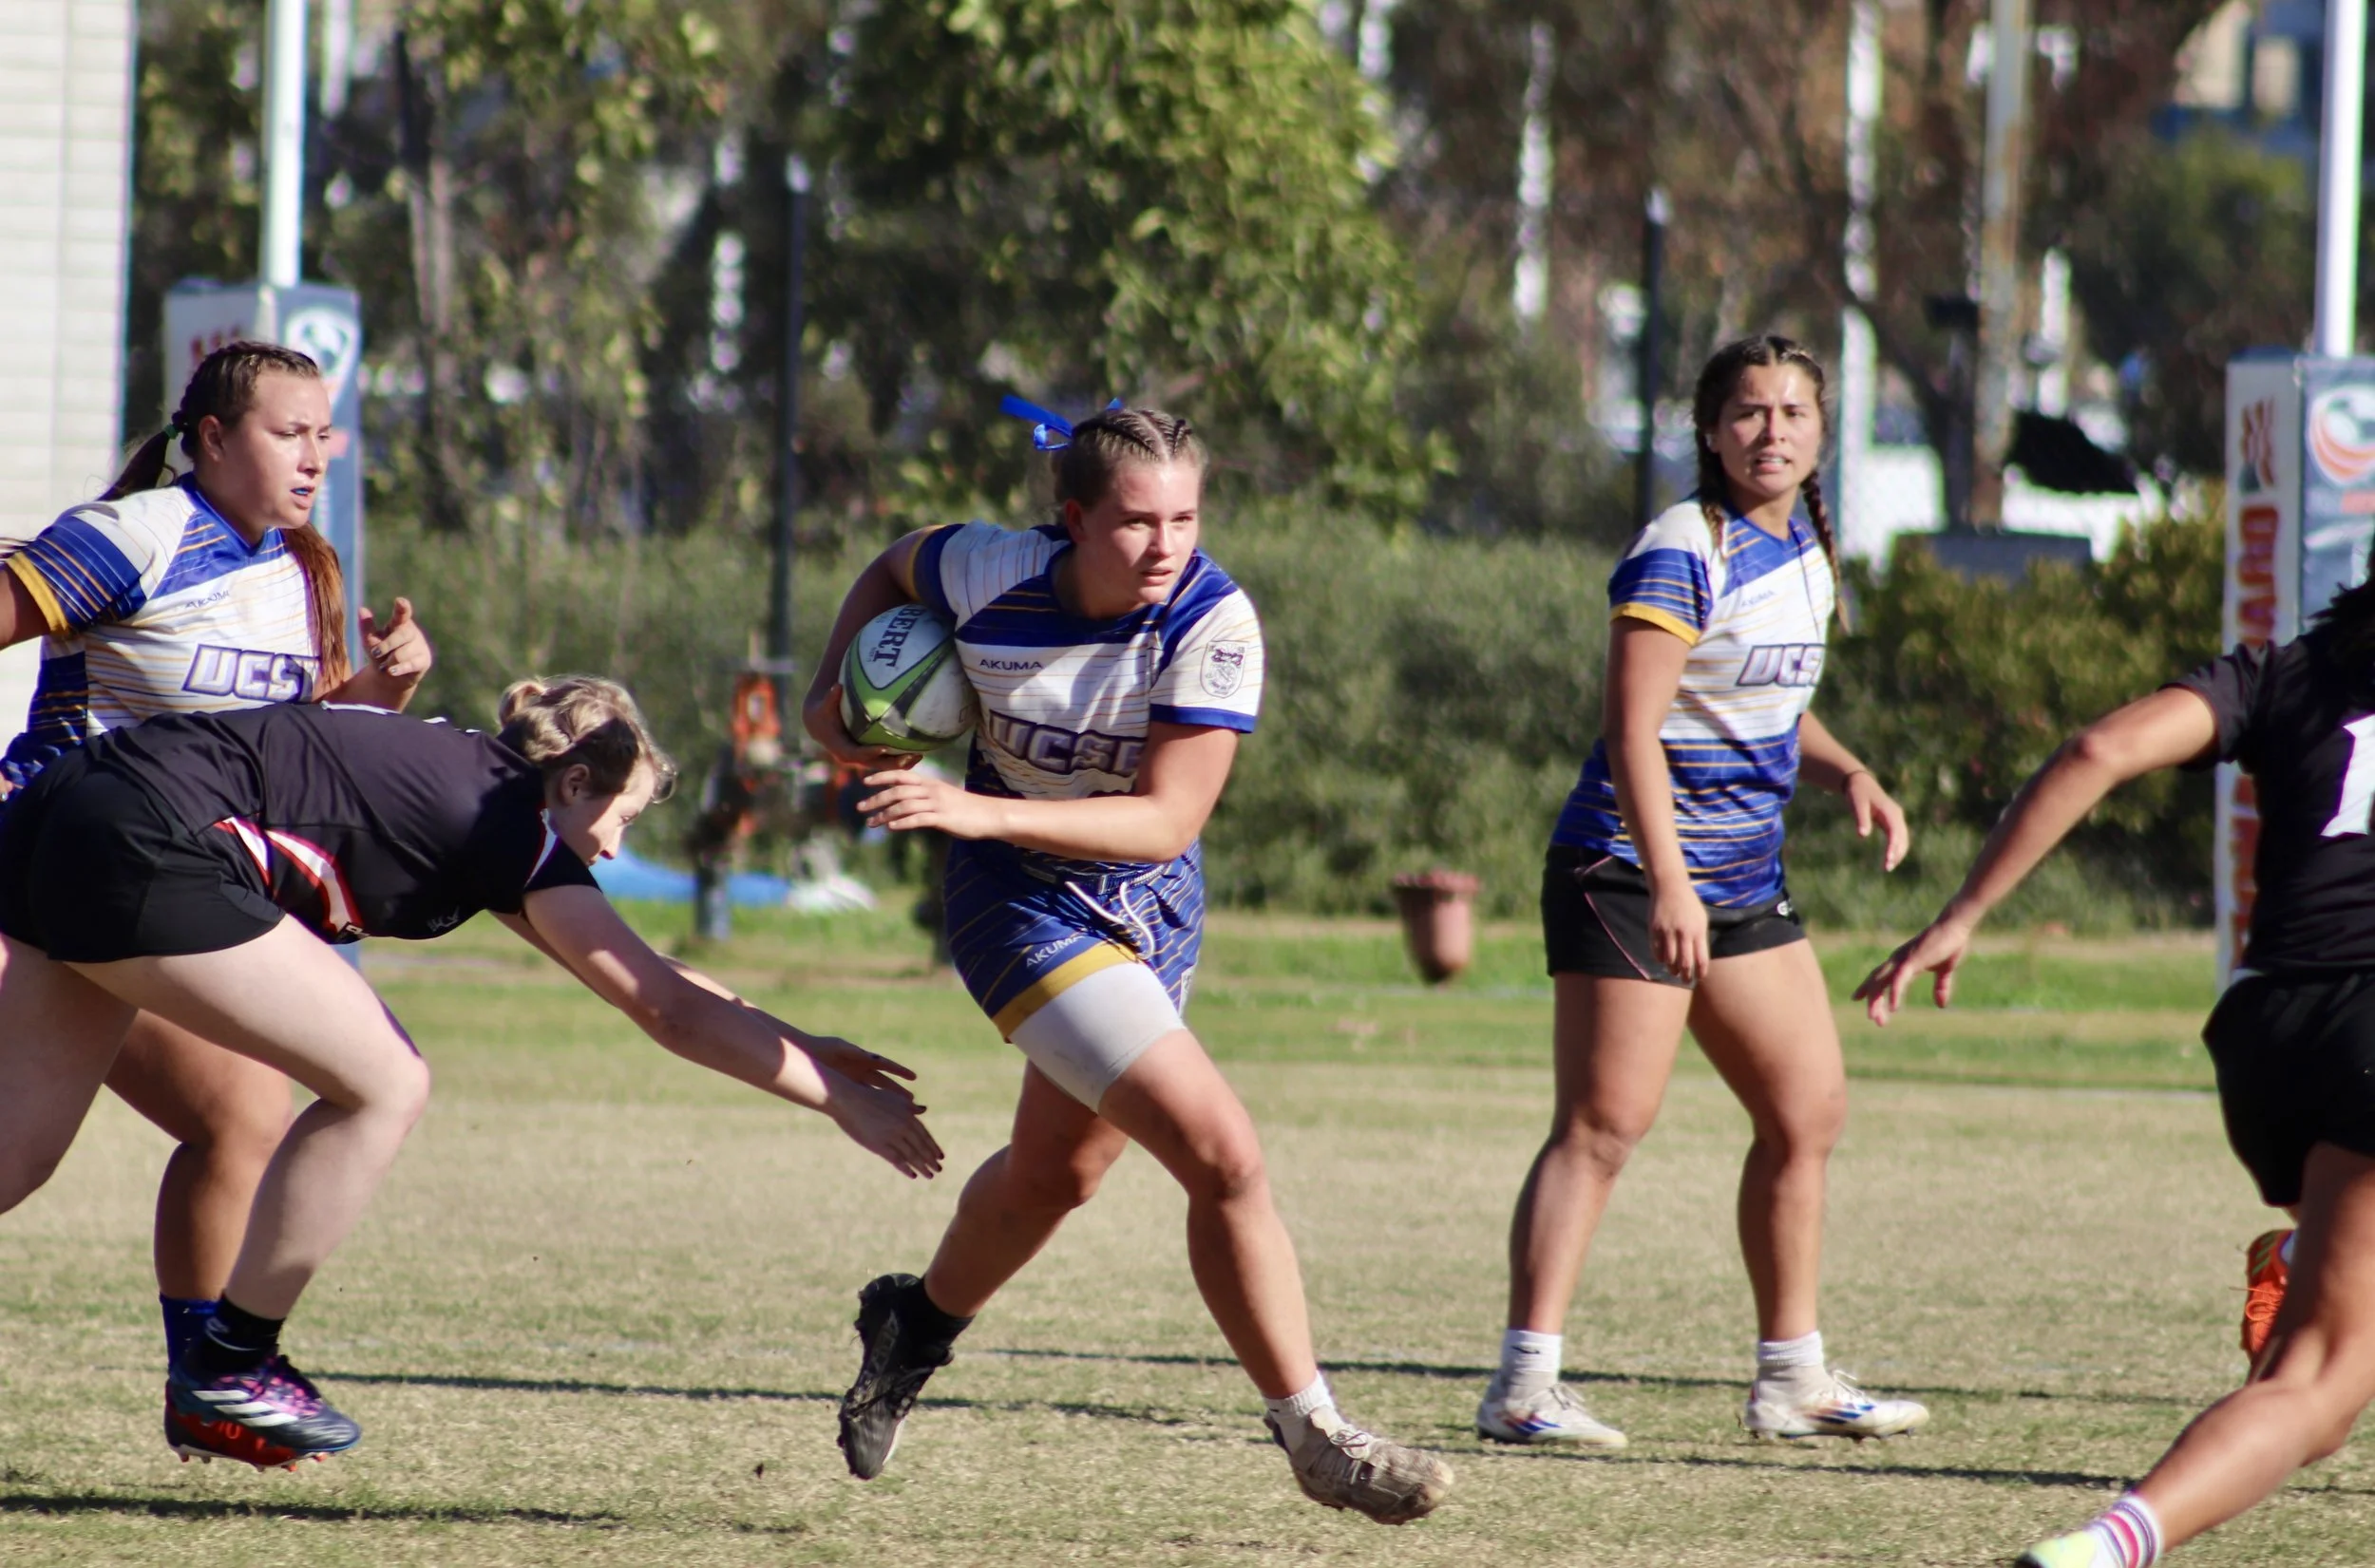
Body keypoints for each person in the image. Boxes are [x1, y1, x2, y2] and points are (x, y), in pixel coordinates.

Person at [0, 679, 942, 1467]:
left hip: (67, 807)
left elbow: (648, 977)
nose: (614, 849)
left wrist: (799, 1040)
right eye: (617, 819)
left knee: (14, 1156)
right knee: (386, 1081)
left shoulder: (482, 794)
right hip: (150, 835)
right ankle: (236, 1359)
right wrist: (839, 1105)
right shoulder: (509, 822)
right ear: (572, 780)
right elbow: (664, 1009)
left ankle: (229, 1363)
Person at [799, 404, 1453, 1525]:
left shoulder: (1212, 620)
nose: (1167, 545)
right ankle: (1316, 1434)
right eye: (1138, 522)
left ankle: (914, 1324)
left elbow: (1165, 820)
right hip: (1016, 910)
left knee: (1058, 1176)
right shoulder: (987, 569)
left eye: (1186, 517)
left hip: (1148, 904)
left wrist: (968, 808)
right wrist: (835, 703)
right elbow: (889, 565)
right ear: (1072, 521)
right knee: (1223, 1155)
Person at [1858, 577, 2375, 1568]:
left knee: (2322, 1391)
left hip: (2264, 1032)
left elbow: (2096, 749)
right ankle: (2107, 1548)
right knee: (2316, 1385)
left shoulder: (2283, 674)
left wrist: (1960, 915)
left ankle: (2309, 1254)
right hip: (2366, 1036)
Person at [1475, 334, 1928, 1450]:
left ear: (1821, 433)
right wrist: (1668, 884)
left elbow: (1765, 702)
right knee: (1603, 1125)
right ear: (1708, 430)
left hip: (1738, 881)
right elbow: (1632, 725)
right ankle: (1523, 1387)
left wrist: (1848, 769)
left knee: (1806, 1111)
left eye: (1791, 412)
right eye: (1746, 412)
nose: (1769, 430)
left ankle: (1793, 1380)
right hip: (1627, 871)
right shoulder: (1684, 547)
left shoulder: (1811, 544)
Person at [0, 341, 435, 1424]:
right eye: (289, 431)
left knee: (240, 1115)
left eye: (324, 433)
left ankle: (210, 1383)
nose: (315, 455)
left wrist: (374, 693)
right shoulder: (137, 535)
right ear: (212, 439)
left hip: (146, 894)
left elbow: (276, 752)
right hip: (43, 869)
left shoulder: (300, 570)